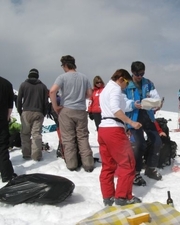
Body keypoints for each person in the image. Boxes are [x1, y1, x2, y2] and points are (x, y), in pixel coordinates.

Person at [98, 69, 142, 206]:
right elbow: (115, 110)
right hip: (113, 130)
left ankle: (108, 196)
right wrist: (131, 123)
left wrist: (124, 126)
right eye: (127, 83)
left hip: (103, 129)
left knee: (108, 164)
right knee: (127, 163)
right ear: (122, 79)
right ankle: (123, 197)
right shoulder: (116, 89)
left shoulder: (105, 90)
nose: (126, 86)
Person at [49, 55, 94, 172]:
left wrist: (56, 107)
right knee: (83, 137)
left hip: (67, 110)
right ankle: (88, 163)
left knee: (68, 138)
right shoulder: (84, 77)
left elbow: (52, 91)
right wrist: (79, 97)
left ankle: (72, 164)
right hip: (81, 110)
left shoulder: (62, 77)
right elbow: (89, 94)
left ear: (65, 65)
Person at [124, 61, 163, 186]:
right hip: (134, 117)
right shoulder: (127, 84)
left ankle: (150, 168)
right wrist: (132, 105)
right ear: (132, 72)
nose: (140, 76)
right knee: (139, 144)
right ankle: (135, 173)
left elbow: (155, 96)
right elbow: (121, 102)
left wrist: (157, 104)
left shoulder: (148, 83)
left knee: (157, 141)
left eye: (142, 73)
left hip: (147, 115)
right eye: (137, 74)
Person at [17, 69, 48, 161]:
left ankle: (26, 154)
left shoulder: (23, 85)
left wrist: (20, 112)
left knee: (25, 134)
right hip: (38, 112)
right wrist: (43, 113)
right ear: (37, 76)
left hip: (26, 112)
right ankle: (36, 156)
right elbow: (45, 102)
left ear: (29, 75)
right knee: (36, 134)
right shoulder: (43, 87)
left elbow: (18, 100)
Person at [0, 76, 17, 182]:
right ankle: (6, 174)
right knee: (2, 146)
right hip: (1, 119)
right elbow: (10, 107)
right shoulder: (6, 84)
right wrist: (6, 119)